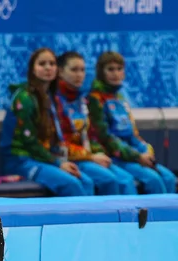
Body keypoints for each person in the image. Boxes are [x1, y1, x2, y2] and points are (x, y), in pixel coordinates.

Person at [0, 47, 94, 197]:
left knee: (86, 181)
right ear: (33, 70)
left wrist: (61, 160)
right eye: (42, 64)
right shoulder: (24, 98)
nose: (48, 67)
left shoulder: (50, 98)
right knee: (71, 184)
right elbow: (30, 143)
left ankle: (92, 221)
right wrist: (58, 163)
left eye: (52, 63)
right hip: (21, 160)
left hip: (43, 158)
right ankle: (76, 221)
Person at [89, 51, 177, 194]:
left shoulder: (120, 98)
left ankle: (171, 216)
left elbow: (132, 134)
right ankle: (150, 217)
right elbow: (105, 138)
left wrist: (145, 150)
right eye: (110, 69)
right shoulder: (95, 99)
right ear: (101, 72)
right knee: (153, 179)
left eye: (119, 69)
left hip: (133, 155)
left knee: (168, 177)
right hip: (113, 157)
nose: (115, 73)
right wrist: (137, 157)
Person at [56, 51, 137, 195]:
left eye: (82, 70)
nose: (79, 75)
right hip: (69, 158)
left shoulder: (80, 99)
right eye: (74, 70)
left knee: (126, 178)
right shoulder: (56, 101)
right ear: (61, 72)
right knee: (110, 180)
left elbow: (88, 137)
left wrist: (143, 149)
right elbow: (59, 143)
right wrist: (91, 156)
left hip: (88, 155)